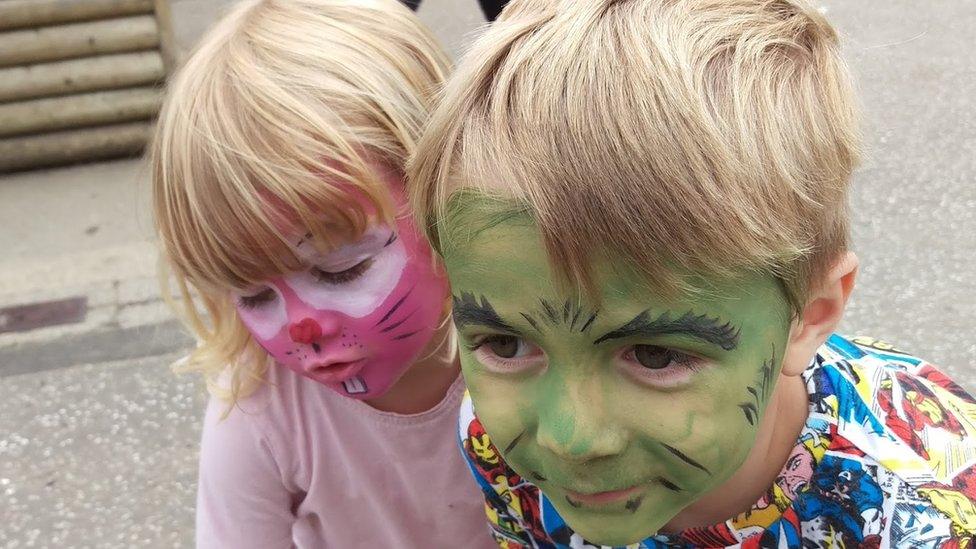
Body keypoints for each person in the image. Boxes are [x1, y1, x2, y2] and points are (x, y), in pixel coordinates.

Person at [407, 0, 976, 546]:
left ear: (811, 311)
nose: (569, 441)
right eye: (505, 344)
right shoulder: (495, 445)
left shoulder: (924, 524)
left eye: (656, 355)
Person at [150, 1, 497, 547]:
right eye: (255, 294)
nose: (304, 329)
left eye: (344, 268)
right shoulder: (263, 403)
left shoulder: (536, 344)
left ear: (445, 189)